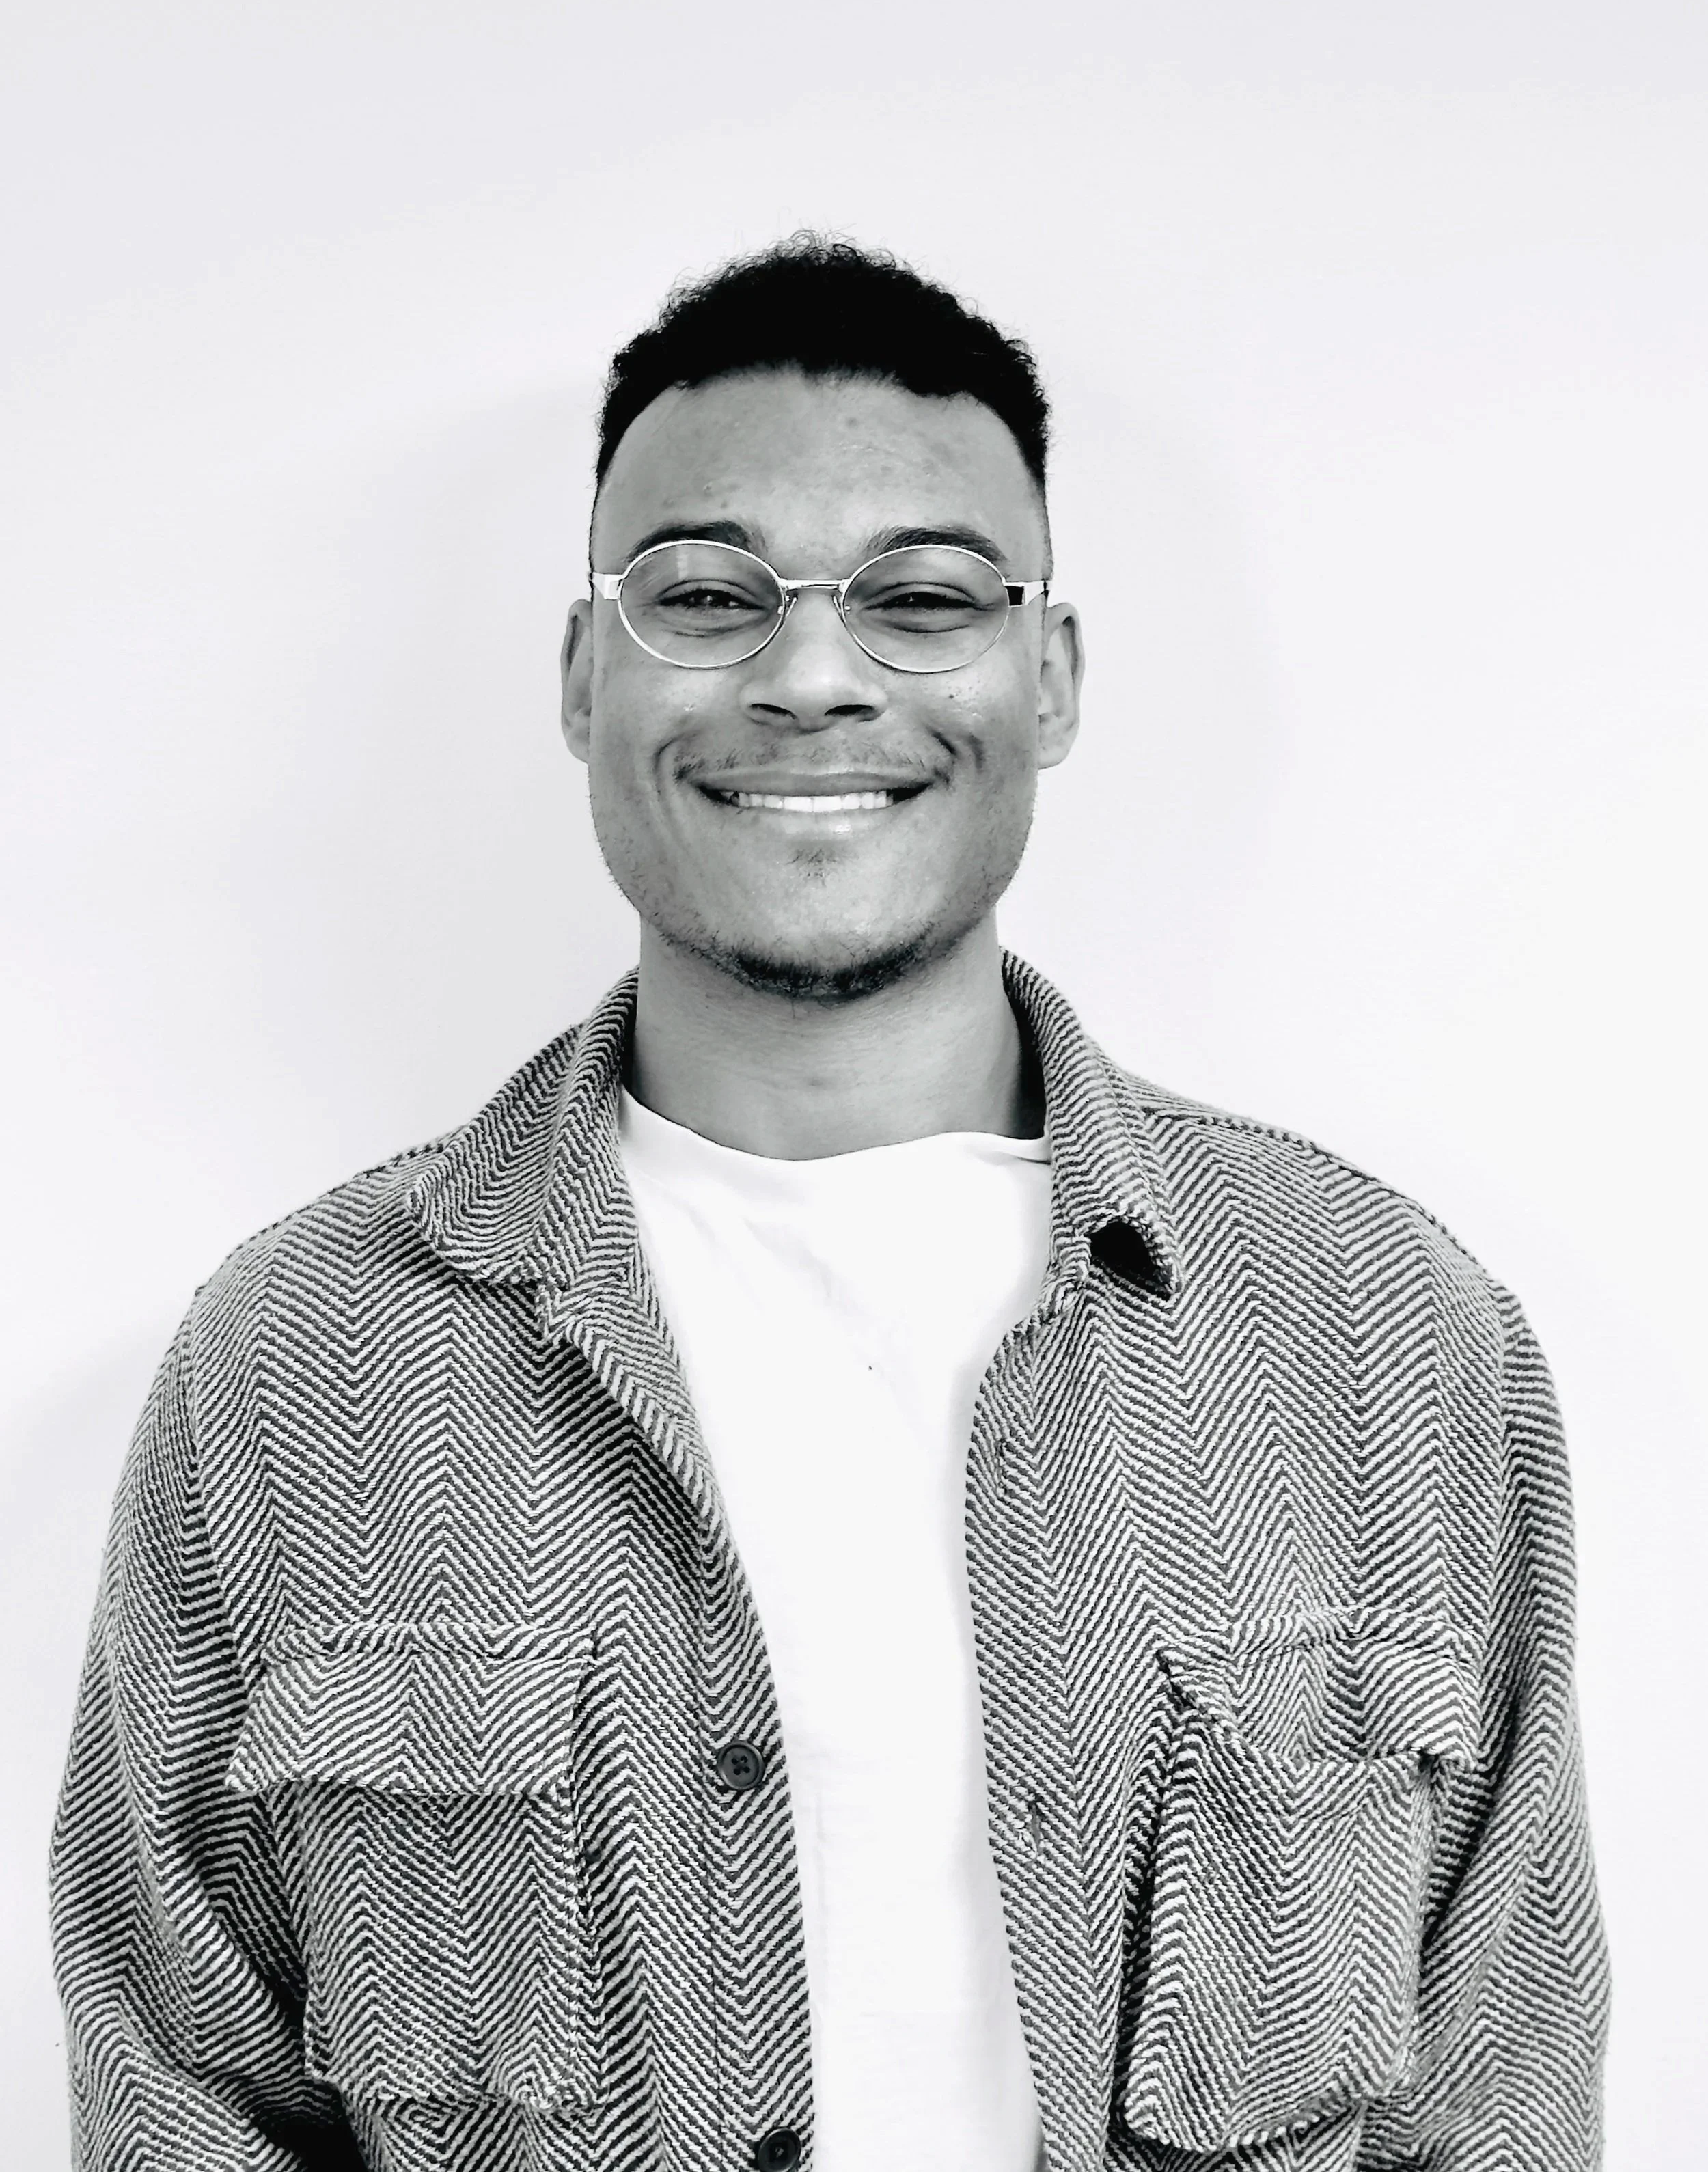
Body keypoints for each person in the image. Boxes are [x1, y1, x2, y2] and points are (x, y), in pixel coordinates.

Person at [49, 236, 1608, 2172]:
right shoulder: (298, 1362)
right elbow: (181, 2096)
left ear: (1049, 677)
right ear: (583, 674)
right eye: (705, 595)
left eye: (922, 597)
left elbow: (1498, 2104)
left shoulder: (1383, 1336)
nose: (806, 675)